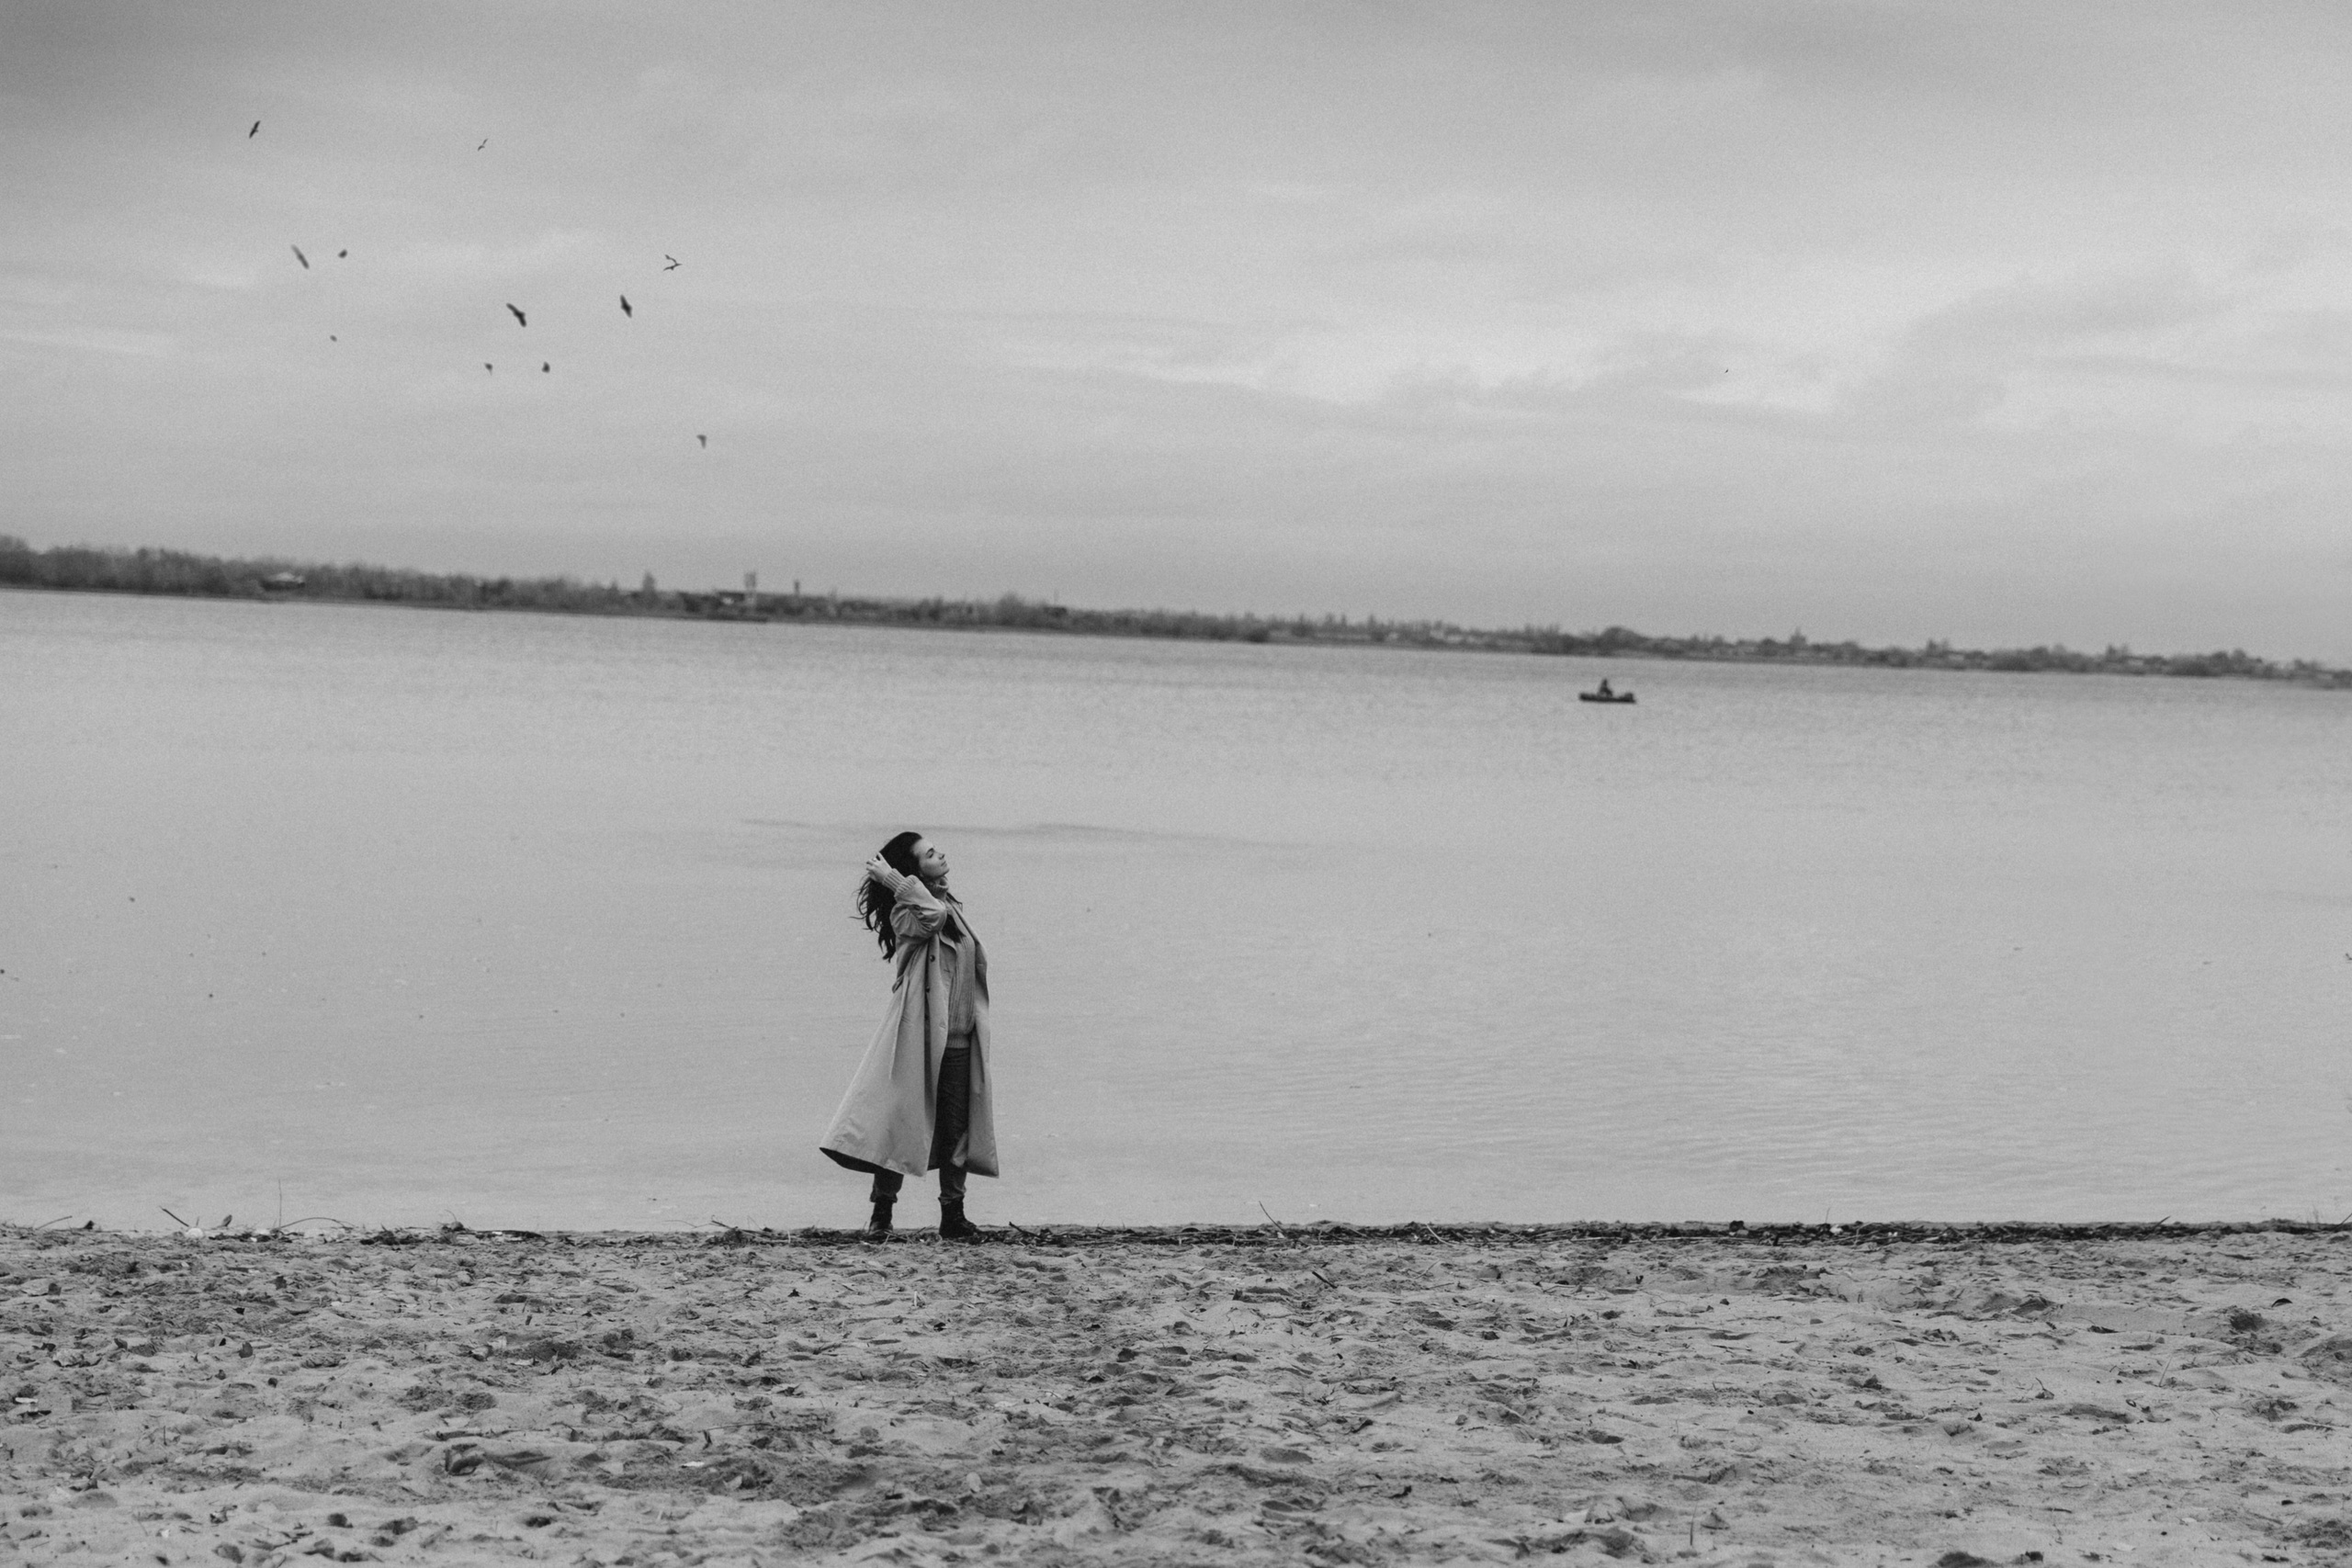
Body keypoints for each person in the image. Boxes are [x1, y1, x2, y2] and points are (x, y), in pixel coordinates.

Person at [819, 831, 999, 1240]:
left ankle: (953, 1215)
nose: (942, 854)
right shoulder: (910, 912)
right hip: (918, 1042)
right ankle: (882, 1213)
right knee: (901, 1125)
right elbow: (930, 917)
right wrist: (896, 884)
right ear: (913, 873)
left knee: (957, 1130)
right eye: (931, 854)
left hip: (959, 1039)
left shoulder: (948, 904)